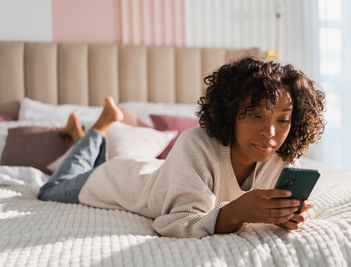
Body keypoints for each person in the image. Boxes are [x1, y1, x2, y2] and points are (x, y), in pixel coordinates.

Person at [38, 57, 325, 238]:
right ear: (230, 112)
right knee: (49, 190)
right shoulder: (194, 143)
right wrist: (237, 212)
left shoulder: (281, 158)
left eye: (283, 119)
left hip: (157, 173)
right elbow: (174, 224)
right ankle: (98, 129)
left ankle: (82, 138)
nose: (270, 132)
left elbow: (276, 208)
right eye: (255, 114)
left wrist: (291, 214)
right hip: (115, 180)